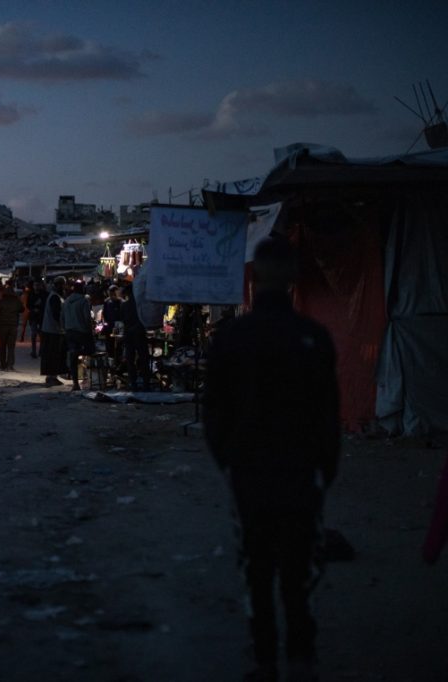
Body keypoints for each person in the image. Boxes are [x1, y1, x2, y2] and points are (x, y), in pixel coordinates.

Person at [204, 236, 340, 682]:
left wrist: (229, 461)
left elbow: (214, 413)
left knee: (257, 569)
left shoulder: (231, 337)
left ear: (254, 278)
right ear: (294, 278)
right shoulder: (313, 337)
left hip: (250, 472)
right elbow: (328, 415)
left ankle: (265, 660)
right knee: (299, 572)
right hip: (301, 473)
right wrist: (323, 470)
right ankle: (301, 658)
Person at [62, 280, 95, 391]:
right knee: (91, 350)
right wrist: (90, 331)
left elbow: (62, 318)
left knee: (73, 358)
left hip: (69, 332)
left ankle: (75, 384)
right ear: (82, 289)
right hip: (81, 332)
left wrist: (65, 329)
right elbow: (87, 318)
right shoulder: (83, 301)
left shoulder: (66, 301)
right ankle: (90, 378)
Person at [120, 285, 151, 390]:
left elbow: (122, 320)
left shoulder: (124, 305)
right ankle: (146, 383)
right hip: (139, 333)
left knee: (130, 360)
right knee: (143, 358)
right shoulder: (140, 305)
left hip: (129, 333)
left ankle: (133, 383)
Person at [39, 277, 67, 386]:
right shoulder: (55, 297)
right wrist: (63, 325)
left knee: (51, 355)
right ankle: (52, 377)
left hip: (50, 330)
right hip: (53, 331)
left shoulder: (54, 296)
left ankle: (51, 376)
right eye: (63, 285)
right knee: (53, 355)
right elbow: (57, 315)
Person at [0, 283, 25, 370]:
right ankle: (10, 364)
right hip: (13, 326)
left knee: (2, 346)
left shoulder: (1, 301)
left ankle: (2, 364)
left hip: (2, 326)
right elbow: (22, 309)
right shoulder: (16, 301)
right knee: (11, 346)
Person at [27, 279, 47, 359]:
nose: (36, 287)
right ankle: (34, 351)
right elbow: (28, 305)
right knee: (34, 334)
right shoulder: (31, 294)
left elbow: (45, 305)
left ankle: (41, 351)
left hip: (41, 317)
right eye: (35, 285)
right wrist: (33, 309)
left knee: (41, 335)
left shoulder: (44, 294)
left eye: (38, 285)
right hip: (33, 317)